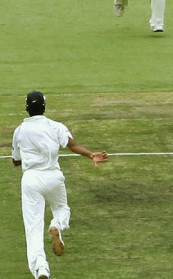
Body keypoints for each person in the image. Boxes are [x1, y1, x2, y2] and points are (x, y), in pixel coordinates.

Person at [11, 91, 108, 279]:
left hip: (31, 180)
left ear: (27, 108)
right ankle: (56, 225)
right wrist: (90, 155)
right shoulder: (55, 126)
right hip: (53, 177)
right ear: (44, 108)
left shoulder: (20, 131)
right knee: (62, 208)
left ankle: (41, 268)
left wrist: (31, 156)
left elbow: (16, 161)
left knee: (33, 228)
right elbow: (72, 145)